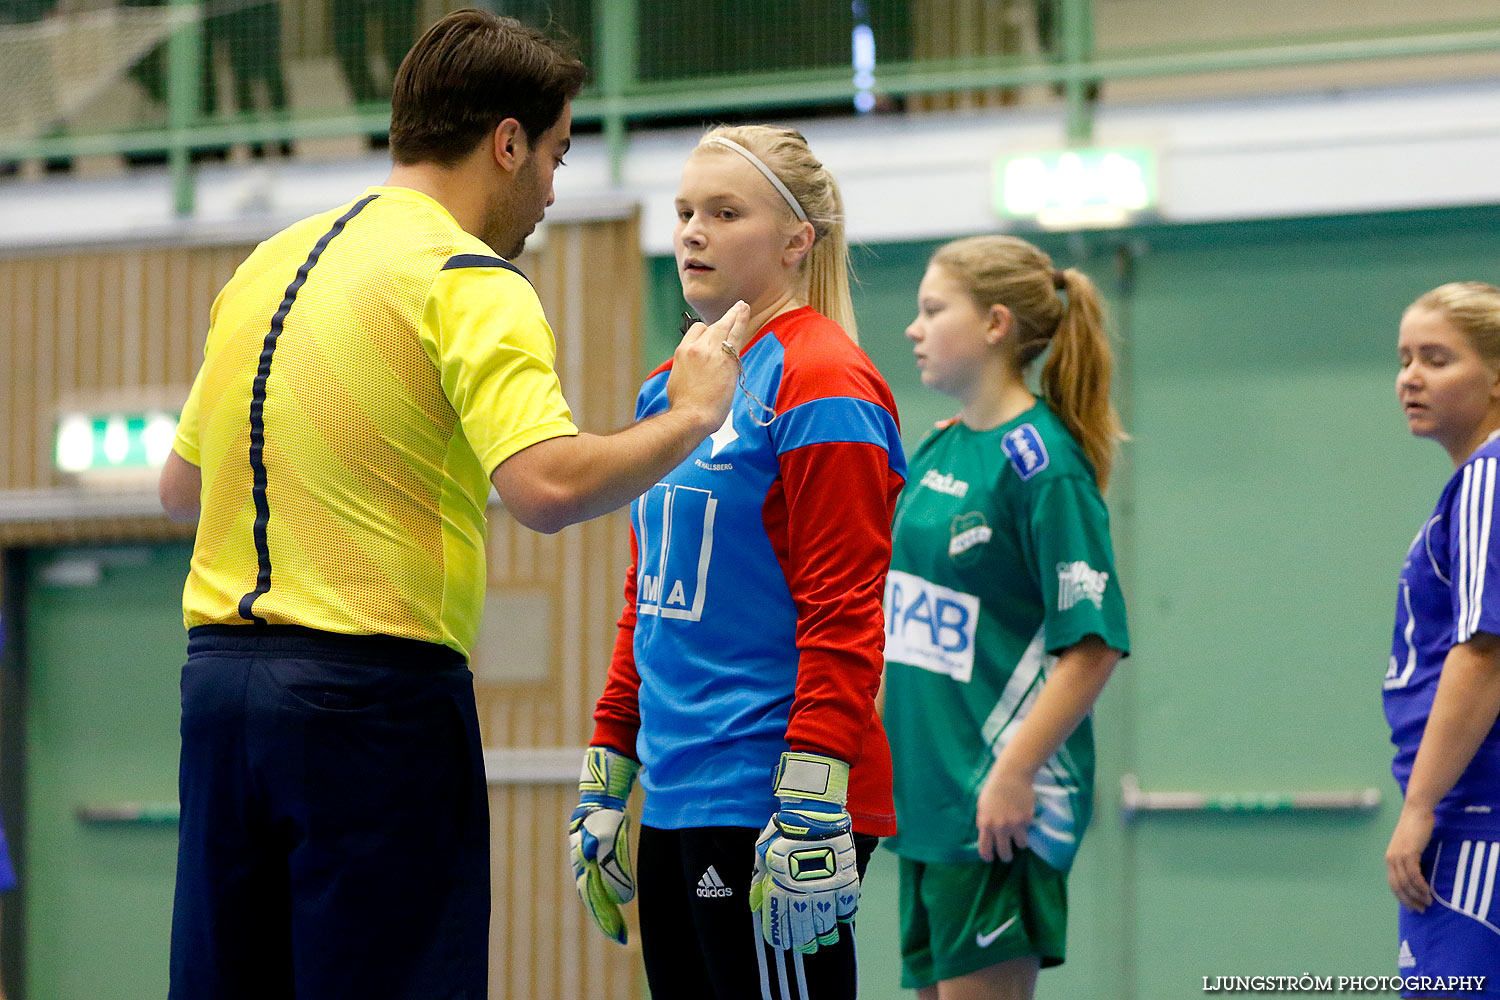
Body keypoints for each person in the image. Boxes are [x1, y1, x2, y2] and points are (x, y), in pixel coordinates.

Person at [155, 10, 751, 999]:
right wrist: (690, 414)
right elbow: (547, 485)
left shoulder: (264, 267)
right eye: (556, 154)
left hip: (218, 700)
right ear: (505, 142)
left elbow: (181, 490)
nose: (554, 189)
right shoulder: (467, 278)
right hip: (369, 707)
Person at [569, 124, 906, 1000]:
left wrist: (812, 797)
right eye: (684, 211)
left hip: (772, 793)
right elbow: (649, 599)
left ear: (798, 239)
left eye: (724, 212)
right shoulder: (672, 385)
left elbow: (847, 610)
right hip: (679, 791)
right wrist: (609, 765)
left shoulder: (825, 379)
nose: (691, 231)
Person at [882, 235, 1128, 999]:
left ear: (994, 325)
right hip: (923, 798)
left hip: (992, 803)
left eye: (932, 310)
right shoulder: (935, 448)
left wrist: (1015, 772)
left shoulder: (1044, 466)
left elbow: (1092, 645)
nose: (913, 329)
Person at [1385, 282, 1500, 997]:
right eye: (1403, 359)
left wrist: (1422, 805)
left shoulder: (1490, 475)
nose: (1410, 378)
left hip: (1480, 815)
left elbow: (1485, 651)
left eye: (1437, 358)